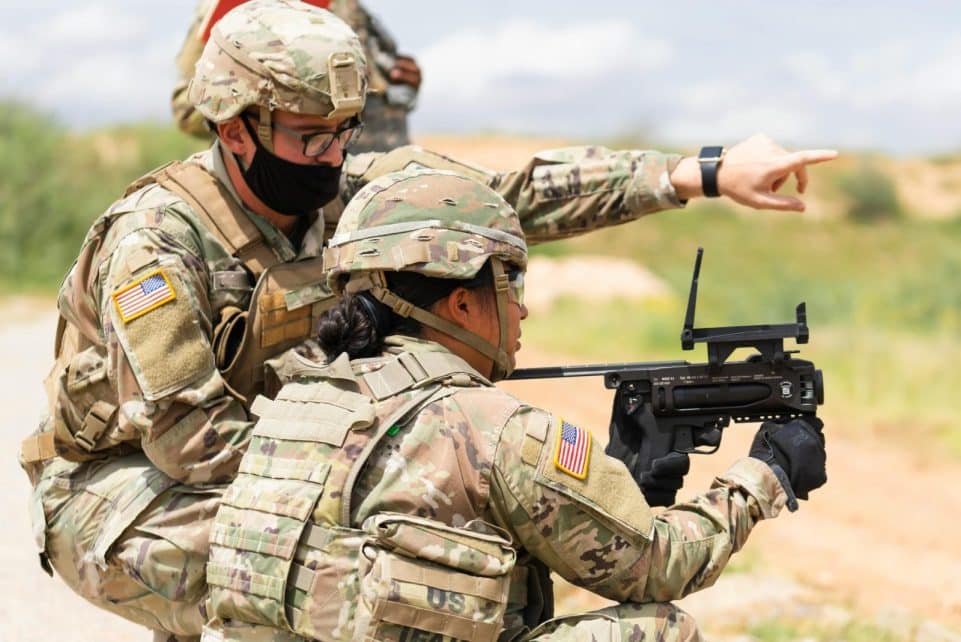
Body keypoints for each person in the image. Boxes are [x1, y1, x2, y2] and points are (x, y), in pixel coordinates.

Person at [17, 0, 836, 639]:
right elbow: (190, 447)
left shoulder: (338, 194)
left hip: (273, 471)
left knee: (423, 547)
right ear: (236, 129)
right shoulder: (156, 243)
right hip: (123, 497)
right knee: (431, 573)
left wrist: (701, 172)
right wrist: (402, 476)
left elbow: (504, 198)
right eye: (309, 138)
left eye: (343, 133)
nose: (332, 157)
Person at [201, 168, 828, 642]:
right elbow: (658, 565)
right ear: (461, 302)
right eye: (510, 283)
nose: (521, 309)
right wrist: (763, 476)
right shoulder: (490, 430)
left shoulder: (298, 402)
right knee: (657, 628)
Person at [172, 0, 422, 152]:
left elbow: (374, 83)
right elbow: (187, 109)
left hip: (374, 182)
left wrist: (400, 83)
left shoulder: (351, 9)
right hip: (296, 187)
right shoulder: (239, 11)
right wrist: (281, 96)